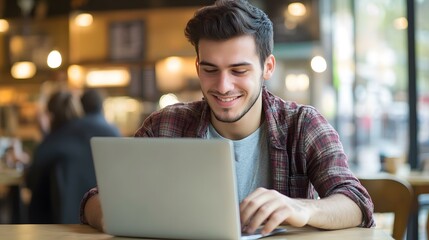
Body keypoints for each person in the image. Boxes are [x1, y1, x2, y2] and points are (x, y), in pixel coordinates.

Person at [80, 0, 375, 234]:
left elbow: (356, 203)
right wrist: (112, 214)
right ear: (197, 67)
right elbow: (95, 199)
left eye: (239, 70)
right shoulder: (164, 125)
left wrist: (302, 209)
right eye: (210, 70)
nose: (223, 86)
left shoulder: (302, 125)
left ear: (267, 67)